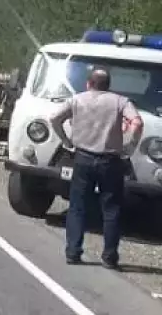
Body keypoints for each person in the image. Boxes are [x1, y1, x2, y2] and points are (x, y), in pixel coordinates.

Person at [49, 68, 143, 270]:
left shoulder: (77, 100)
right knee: (111, 208)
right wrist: (129, 147)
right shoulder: (120, 101)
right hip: (110, 160)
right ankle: (109, 256)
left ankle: (73, 251)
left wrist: (65, 140)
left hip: (83, 158)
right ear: (108, 85)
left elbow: (55, 117)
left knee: (78, 206)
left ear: (88, 83)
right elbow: (137, 122)